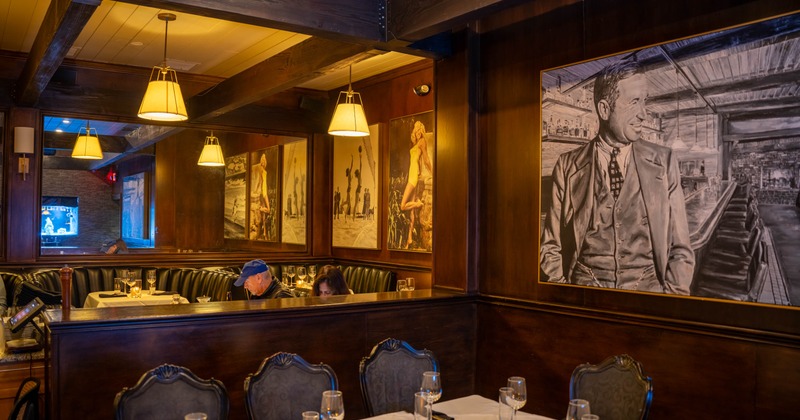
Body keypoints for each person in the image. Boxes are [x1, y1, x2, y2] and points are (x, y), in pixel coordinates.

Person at [540, 56, 695, 294]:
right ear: (604, 109)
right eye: (634, 102)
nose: (644, 113)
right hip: (585, 299)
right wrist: (562, 295)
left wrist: (671, 300)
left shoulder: (663, 161)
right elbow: (550, 246)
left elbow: (681, 248)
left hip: (648, 297)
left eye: (645, 101)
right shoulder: (567, 165)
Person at [400, 120, 433, 248]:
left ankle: (418, 204)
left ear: (422, 131)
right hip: (412, 174)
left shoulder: (422, 142)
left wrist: (432, 171)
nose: (418, 131)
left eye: (420, 129)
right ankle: (409, 238)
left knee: (403, 206)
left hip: (413, 177)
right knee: (411, 212)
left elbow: (426, 159)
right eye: (416, 129)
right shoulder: (415, 144)